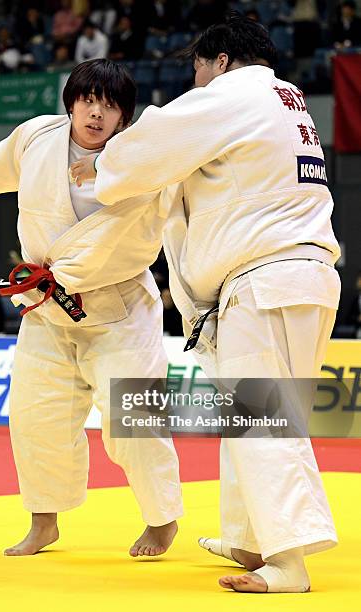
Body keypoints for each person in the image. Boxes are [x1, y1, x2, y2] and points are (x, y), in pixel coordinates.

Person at [71, 14, 341, 593]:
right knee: (254, 413)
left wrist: (100, 166)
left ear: (221, 62)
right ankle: (248, 537)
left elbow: (150, 143)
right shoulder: (287, 100)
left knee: (264, 421)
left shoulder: (233, 94)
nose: (196, 83)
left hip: (269, 281)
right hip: (300, 280)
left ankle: (289, 560)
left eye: (197, 69)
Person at [0, 59, 183, 558]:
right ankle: (43, 522)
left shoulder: (145, 155)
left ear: (126, 116)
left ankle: (162, 518)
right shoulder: (37, 136)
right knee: (37, 417)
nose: (96, 113)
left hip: (119, 308)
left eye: (110, 105)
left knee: (134, 421)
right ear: (71, 102)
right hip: (45, 305)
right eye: (87, 100)